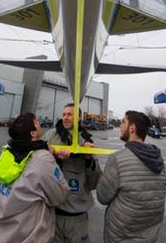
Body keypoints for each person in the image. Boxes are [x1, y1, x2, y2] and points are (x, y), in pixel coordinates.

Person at [0, 113, 69, 243]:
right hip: (28, 236)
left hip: (0, 233)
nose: (39, 123)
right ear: (32, 133)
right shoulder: (42, 158)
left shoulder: (7, 152)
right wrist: (54, 163)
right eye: (37, 122)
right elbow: (60, 194)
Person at [97, 110, 166, 243]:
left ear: (132, 128)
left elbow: (102, 197)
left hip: (121, 237)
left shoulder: (118, 159)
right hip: (150, 237)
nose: (120, 126)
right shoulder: (158, 159)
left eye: (123, 122)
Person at [42, 103, 102, 243]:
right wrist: (53, 157)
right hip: (52, 214)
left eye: (70, 114)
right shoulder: (50, 136)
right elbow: (37, 167)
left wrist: (88, 159)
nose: (65, 117)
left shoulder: (86, 141)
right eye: (64, 114)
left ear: (79, 118)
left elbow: (94, 183)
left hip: (77, 218)